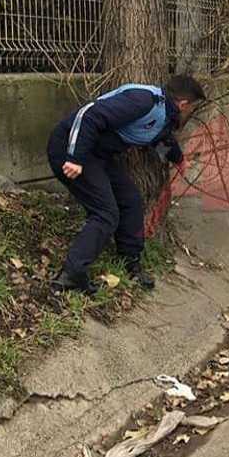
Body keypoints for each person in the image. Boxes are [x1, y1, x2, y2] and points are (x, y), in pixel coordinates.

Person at [47, 75, 206, 295]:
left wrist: (178, 159)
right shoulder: (143, 100)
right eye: (192, 108)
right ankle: (70, 275)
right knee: (105, 213)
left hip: (99, 156)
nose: (190, 113)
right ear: (184, 103)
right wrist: (75, 157)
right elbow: (89, 116)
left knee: (131, 200)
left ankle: (130, 261)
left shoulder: (164, 115)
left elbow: (159, 139)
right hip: (71, 151)